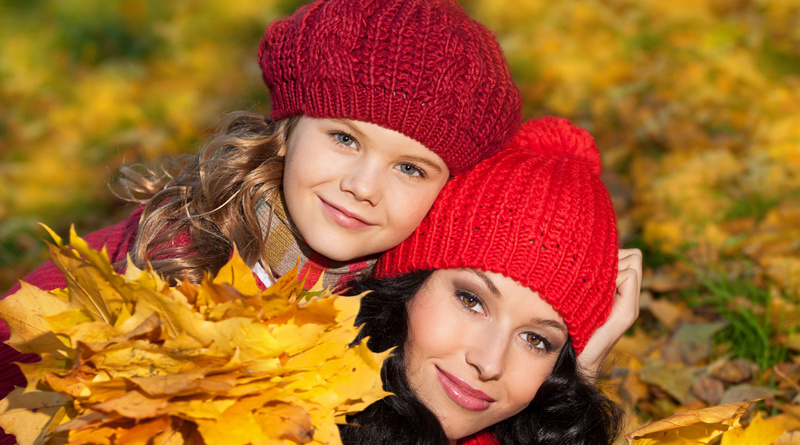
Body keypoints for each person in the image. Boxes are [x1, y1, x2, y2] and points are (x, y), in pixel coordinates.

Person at [0, 1, 522, 443]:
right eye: (344, 139)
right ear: (288, 130)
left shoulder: (422, 307)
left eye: (409, 168)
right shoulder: (168, 253)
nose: (363, 187)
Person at [339, 117, 634, 445]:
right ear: (405, 284)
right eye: (471, 300)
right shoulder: (289, 406)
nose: (489, 363)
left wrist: (580, 376)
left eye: (536, 340)